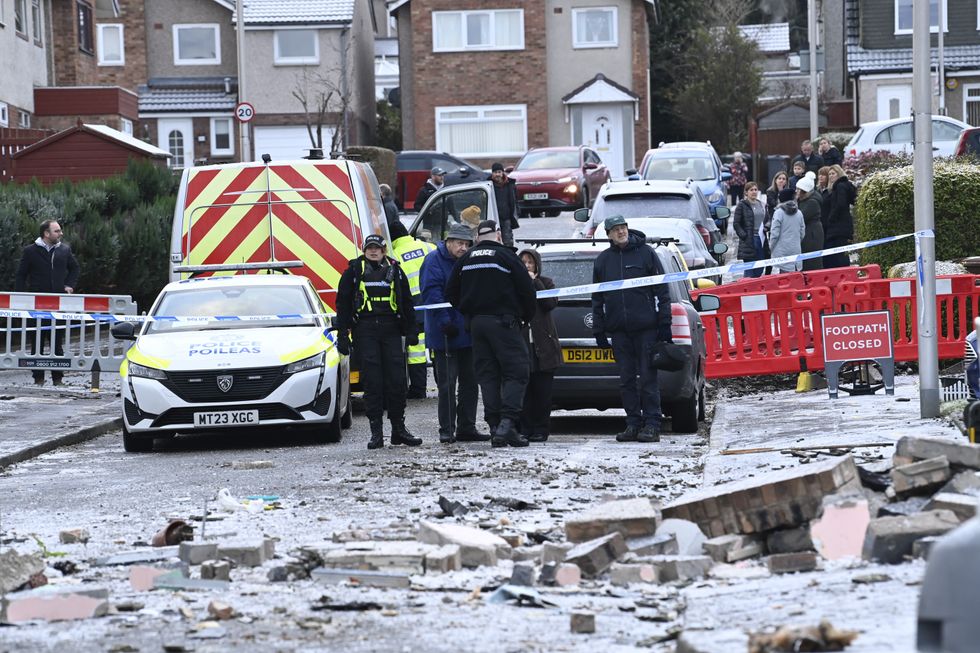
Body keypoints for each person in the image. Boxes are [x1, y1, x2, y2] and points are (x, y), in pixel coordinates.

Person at [446, 220, 536, 448]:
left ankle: (496, 427)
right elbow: (527, 290)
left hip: (477, 325)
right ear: (497, 235)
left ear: (477, 238)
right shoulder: (506, 256)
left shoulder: (467, 259)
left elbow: (450, 292)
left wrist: (468, 312)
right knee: (517, 372)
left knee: (488, 376)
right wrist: (525, 316)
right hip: (504, 323)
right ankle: (507, 423)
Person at [335, 234, 422, 450]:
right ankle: (376, 433)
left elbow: (407, 303)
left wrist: (412, 331)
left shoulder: (396, 270)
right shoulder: (354, 272)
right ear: (364, 250)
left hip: (391, 329)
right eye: (369, 248)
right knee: (372, 382)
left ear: (384, 250)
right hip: (365, 330)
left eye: (377, 248)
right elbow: (343, 304)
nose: (373, 251)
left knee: (397, 381)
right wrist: (343, 335)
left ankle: (398, 429)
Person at [591, 215, 672, 443]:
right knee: (626, 380)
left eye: (623, 227)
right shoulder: (603, 261)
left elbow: (662, 291)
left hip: (646, 328)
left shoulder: (646, 253)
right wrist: (599, 330)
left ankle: (652, 424)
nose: (621, 232)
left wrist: (664, 323)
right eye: (616, 229)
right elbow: (597, 298)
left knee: (648, 378)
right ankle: (633, 424)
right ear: (608, 235)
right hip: (619, 331)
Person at [420, 224, 488, 444]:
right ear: (448, 241)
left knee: (470, 382)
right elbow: (432, 294)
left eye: (467, 244)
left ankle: (467, 427)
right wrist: (445, 322)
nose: (463, 247)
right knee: (448, 384)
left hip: (467, 331)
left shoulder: (467, 260)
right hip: (445, 334)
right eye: (459, 243)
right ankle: (447, 429)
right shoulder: (433, 261)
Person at [15, 220, 80, 386]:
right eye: (57, 231)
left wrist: (69, 285)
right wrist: (21, 299)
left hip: (58, 305)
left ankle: (58, 380)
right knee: (37, 342)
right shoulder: (30, 251)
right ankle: (38, 379)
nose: (61, 234)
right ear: (46, 233)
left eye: (60, 231)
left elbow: (74, 268)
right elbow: (21, 275)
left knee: (57, 342)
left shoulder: (64, 250)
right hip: (35, 306)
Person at [389, 221, 436, 399]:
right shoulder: (428, 247)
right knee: (438, 348)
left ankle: (418, 389)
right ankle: (444, 385)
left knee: (416, 351)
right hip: (434, 305)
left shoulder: (394, 255)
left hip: (414, 310)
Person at [517, 249, 560, 443]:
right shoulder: (515, 284)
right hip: (523, 345)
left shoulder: (547, 282)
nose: (527, 265)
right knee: (525, 391)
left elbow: (550, 303)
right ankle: (525, 428)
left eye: (530, 262)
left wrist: (535, 282)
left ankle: (541, 429)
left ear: (537, 265)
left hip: (544, 346)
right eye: (523, 262)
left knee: (543, 393)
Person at [823, 164, 857, 269]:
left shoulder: (840, 186)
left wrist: (831, 218)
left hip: (838, 226)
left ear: (839, 174)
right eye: (830, 174)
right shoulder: (845, 185)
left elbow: (841, 204)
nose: (831, 176)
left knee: (839, 255)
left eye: (833, 173)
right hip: (843, 225)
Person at [733, 182, 768, 279]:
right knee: (749, 270)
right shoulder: (742, 205)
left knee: (760, 268)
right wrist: (744, 235)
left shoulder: (762, 204)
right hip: (749, 240)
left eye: (755, 190)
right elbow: (736, 223)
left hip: (761, 239)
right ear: (746, 192)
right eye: (751, 190)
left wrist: (767, 227)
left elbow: (767, 219)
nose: (754, 192)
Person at [768, 188, 806, 273]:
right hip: (796, 249)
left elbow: (774, 233)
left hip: (782, 251)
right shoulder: (799, 213)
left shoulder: (778, 213)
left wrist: (771, 247)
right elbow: (802, 232)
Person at [795, 173, 825, 272]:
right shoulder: (805, 200)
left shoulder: (812, 202)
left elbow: (801, 217)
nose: (796, 191)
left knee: (811, 262)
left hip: (812, 234)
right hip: (809, 232)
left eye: (798, 189)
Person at [490, 162, 519, 247]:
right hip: (493, 219)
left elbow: (516, 200)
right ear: (492, 174)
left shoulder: (510, 184)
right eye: (495, 172)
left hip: (506, 218)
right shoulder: (488, 185)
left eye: (499, 172)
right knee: (494, 241)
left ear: (502, 173)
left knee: (508, 242)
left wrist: (517, 212)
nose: (497, 174)